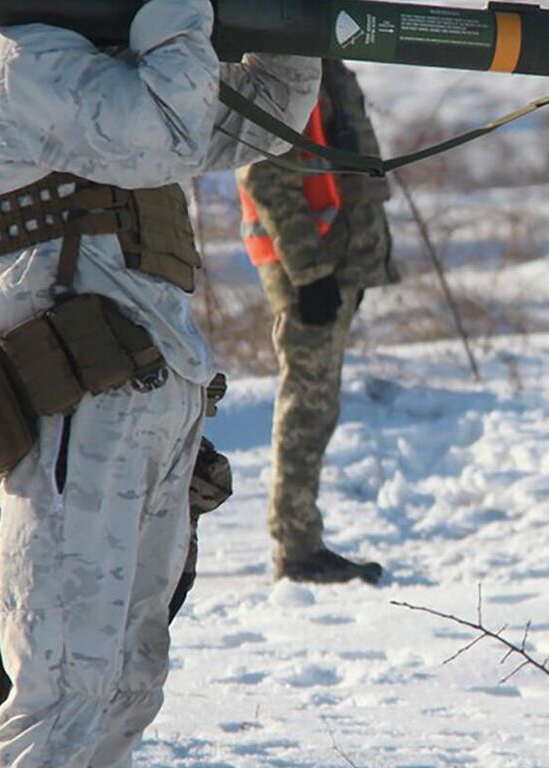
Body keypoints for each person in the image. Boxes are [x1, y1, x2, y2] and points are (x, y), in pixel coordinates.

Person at [0, 4, 318, 766]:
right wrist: (177, 9)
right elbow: (168, 129)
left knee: (130, 684)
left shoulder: (105, 75)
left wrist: (286, 24)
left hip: (145, 398)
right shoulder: (21, 62)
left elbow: (269, 113)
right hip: (83, 405)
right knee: (64, 691)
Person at [235, 60, 397, 585]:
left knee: (317, 404)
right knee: (308, 404)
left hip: (335, 262)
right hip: (311, 265)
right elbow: (262, 170)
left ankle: (300, 542)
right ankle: (297, 547)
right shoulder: (285, 58)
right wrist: (309, 272)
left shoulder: (325, 61)